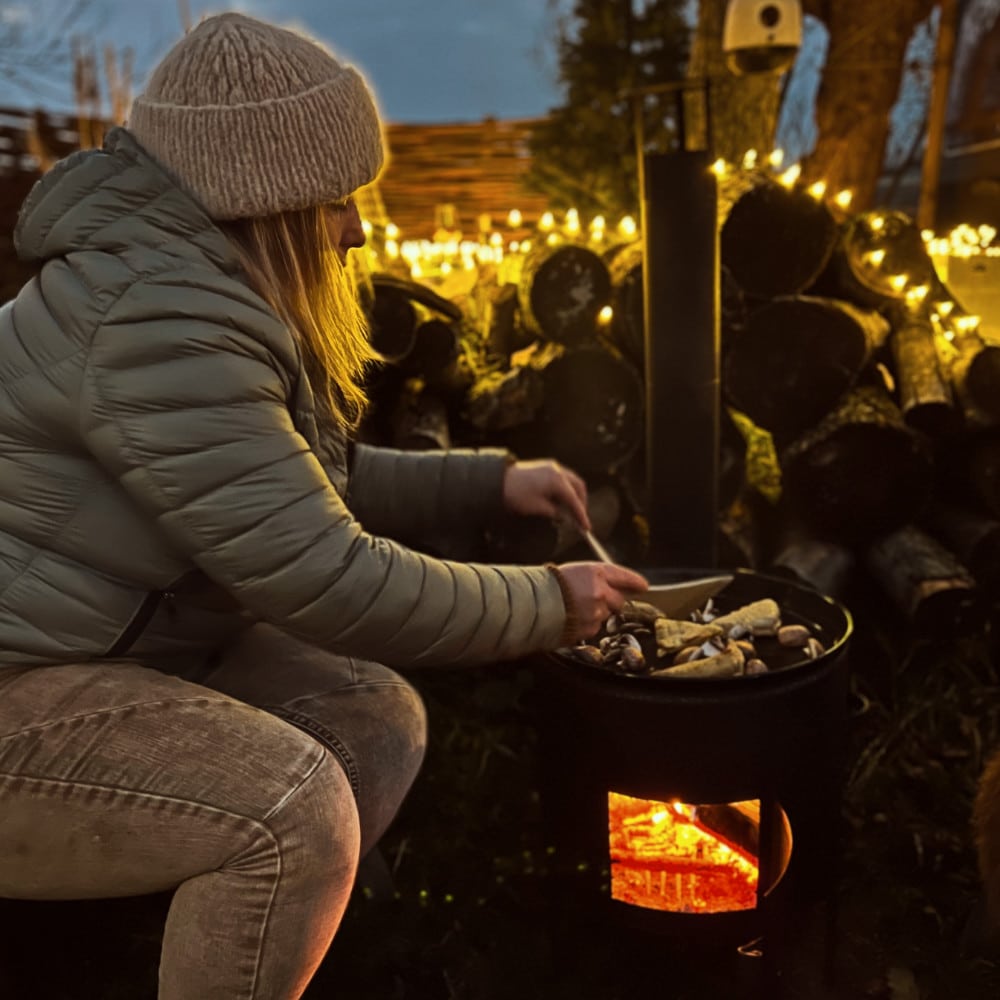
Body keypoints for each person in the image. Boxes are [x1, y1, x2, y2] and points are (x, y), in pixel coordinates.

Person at [0, 11, 648, 999]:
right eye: (337, 198)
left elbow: (287, 484)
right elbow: (326, 577)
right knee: (290, 810)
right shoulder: (159, 322)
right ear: (262, 197)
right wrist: (555, 600)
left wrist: (487, 478)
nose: (356, 227)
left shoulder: (184, 287)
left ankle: (231, 941)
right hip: (19, 691)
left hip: (108, 650)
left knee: (369, 711)